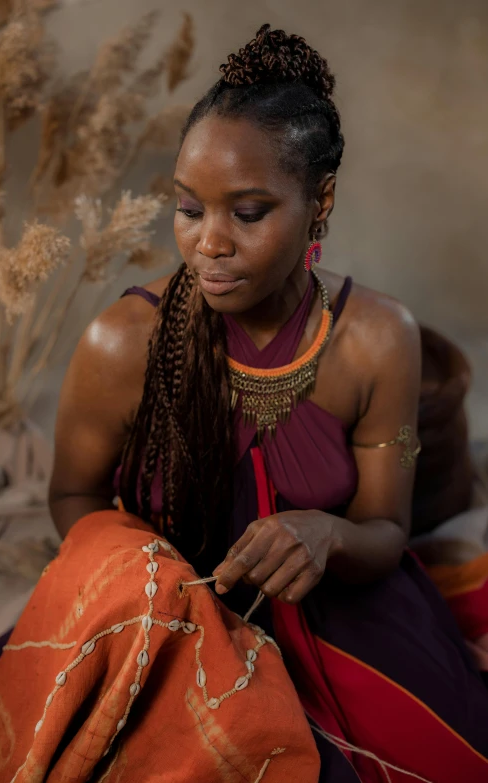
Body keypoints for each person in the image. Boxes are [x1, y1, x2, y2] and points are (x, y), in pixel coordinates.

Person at [48, 24, 488, 782]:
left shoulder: (378, 339)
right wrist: (147, 581)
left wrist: (330, 535)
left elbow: (389, 527)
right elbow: (72, 496)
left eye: (247, 214)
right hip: (166, 625)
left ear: (320, 201)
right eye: (189, 209)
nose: (209, 243)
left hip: (347, 626)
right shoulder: (122, 343)